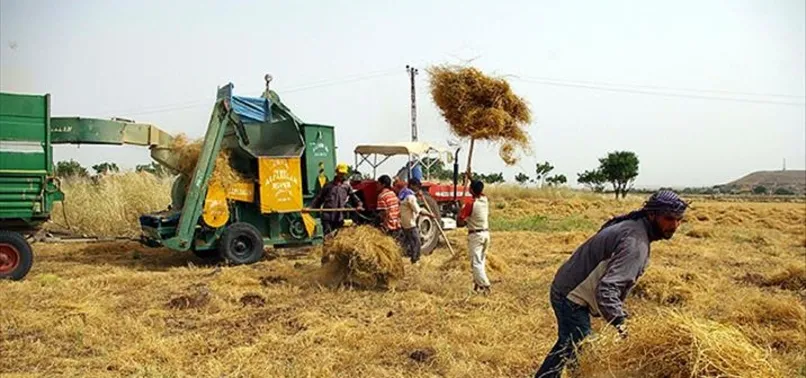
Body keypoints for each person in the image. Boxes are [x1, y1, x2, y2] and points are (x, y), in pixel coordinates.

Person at [533, 190, 689, 378]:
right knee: (584, 355)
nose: (675, 225)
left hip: (566, 285)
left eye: (679, 219)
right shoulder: (635, 242)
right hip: (571, 296)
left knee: (568, 346)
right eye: (669, 218)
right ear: (652, 214)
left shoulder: (634, 227)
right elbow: (607, 289)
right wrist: (622, 324)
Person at [310, 163, 363, 237]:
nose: (341, 175)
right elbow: (319, 198)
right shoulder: (328, 186)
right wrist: (310, 208)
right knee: (328, 237)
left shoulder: (346, 186)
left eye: (343, 173)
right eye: (340, 173)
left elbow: (354, 197)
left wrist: (359, 204)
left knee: (337, 238)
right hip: (327, 216)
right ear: (336, 172)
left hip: (339, 217)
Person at [458, 180, 491, 293]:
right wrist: (470, 177)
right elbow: (477, 188)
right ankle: (477, 285)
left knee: (476, 263)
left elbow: (460, 222)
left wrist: (460, 210)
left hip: (475, 236)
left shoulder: (470, 204)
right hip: (486, 234)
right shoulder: (484, 200)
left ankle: (485, 285)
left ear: (470, 190)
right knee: (481, 261)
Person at [398, 178, 434, 264]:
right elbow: (419, 210)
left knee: (407, 241)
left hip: (404, 222)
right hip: (410, 223)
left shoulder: (403, 193)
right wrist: (430, 214)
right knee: (416, 242)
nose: (418, 189)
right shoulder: (410, 197)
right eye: (417, 187)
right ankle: (415, 260)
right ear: (412, 186)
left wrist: (416, 195)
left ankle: (403, 257)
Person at [376, 175, 402, 239]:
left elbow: (384, 212)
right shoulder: (392, 193)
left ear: (383, 184)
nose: (377, 185)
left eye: (378, 183)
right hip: (397, 223)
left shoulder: (381, 196)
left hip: (389, 225)